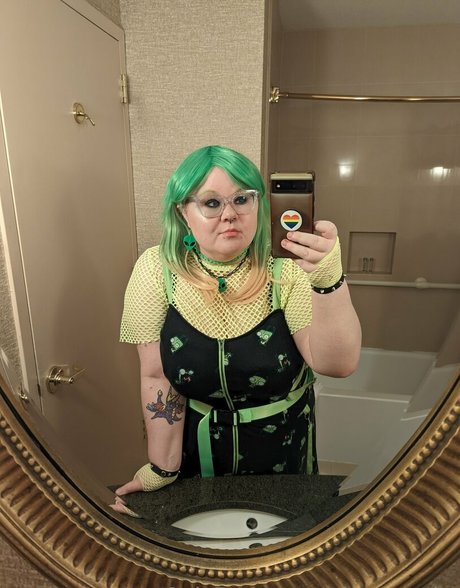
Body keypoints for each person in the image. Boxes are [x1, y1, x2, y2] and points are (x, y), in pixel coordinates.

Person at [111, 145, 361, 516]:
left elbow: (338, 365)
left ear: (258, 204)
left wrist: (329, 281)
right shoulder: (155, 270)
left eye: (242, 199)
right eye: (211, 203)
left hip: (284, 453)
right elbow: (156, 376)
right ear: (182, 212)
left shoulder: (287, 268)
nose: (230, 214)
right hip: (197, 455)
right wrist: (162, 467)